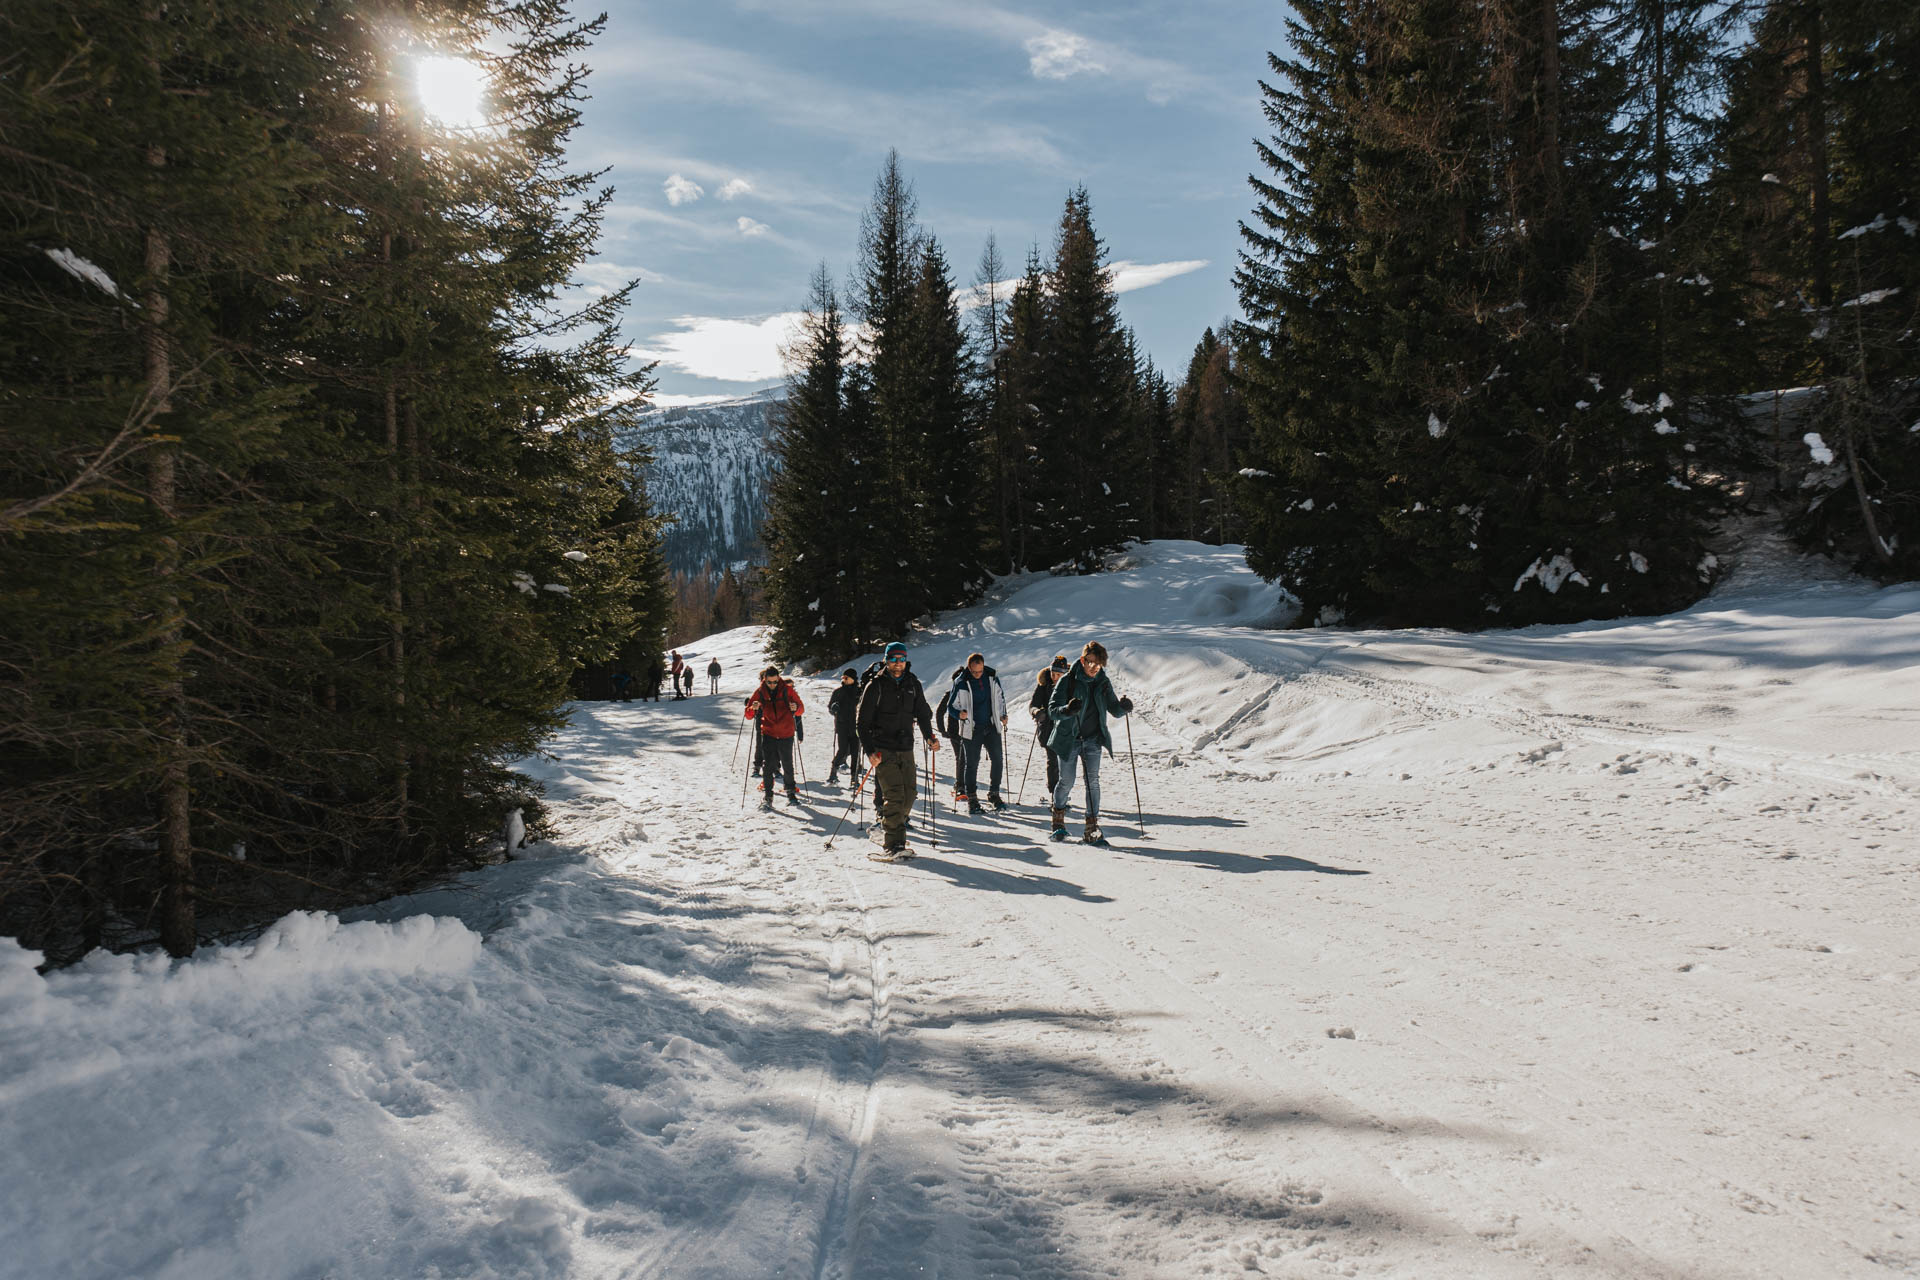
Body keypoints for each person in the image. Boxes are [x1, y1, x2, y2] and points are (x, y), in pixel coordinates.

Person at [856, 641, 938, 859]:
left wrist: (929, 736)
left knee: (910, 795)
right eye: (893, 659)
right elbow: (861, 723)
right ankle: (894, 844)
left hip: (906, 747)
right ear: (886, 659)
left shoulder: (912, 683)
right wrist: (870, 751)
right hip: (883, 748)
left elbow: (922, 713)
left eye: (901, 659)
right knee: (894, 796)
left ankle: (886, 828)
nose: (898, 663)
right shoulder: (876, 686)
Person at [1045, 640, 1133, 844]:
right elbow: (1052, 710)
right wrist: (1067, 710)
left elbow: (1114, 709)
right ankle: (1058, 823)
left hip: (1093, 739)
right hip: (1069, 740)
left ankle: (1091, 828)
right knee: (1066, 781)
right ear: (1083, 660)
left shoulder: (1103, 682)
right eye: (1091, 663)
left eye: (1099, 665)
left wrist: (1124, 707)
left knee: (1092, 781)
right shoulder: (1068, 681)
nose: (1095, 668)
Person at [946, 652, 1009, 814]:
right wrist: (958, 714)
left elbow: (1000, 698)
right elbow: (951, 706)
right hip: (972, 728)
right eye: (974, 672)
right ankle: (972, 798)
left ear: (983, 666)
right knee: (972, 763)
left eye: (980, 671)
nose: (977, 674)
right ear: (969, 667)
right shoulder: (961, 682)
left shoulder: (992, 677)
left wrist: (1003, 714)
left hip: (991, 725)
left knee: (998, 759)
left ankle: (994, 794)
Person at [745, 665, 805, 807]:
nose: (772, 685)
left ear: (779, 679)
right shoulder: (760, 692)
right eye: (769, 682)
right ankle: (768, 796)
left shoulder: (787, 690)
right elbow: (747, 714)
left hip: (786, 733)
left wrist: (795, 708)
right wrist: (752, 708)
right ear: (764, 680)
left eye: (775, 682)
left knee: (787, 764)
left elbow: (801, 708)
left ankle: (791, 794)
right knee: (768, 766)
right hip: (769, 732)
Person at [1028, 655, 1069, 799]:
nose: (1055, 677)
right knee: (1053, 761)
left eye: (1058, 674)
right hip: (1048, 728)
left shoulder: (1071, 685)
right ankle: (1055, 793)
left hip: (1066, 728)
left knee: (1065, 762)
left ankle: (1063, 792)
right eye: (1053, 673)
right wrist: (1037, 712)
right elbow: (1032, 705)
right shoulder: (1044, 684)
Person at [826, 669, 862, 785]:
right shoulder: (838, 692)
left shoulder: (860, 691)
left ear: (853, 678)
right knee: (842, 751)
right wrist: (833, 708)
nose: (844, 680)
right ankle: (833, 772)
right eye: (843, 678)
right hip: (842, 726)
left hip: (856, 726)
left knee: (855, 752)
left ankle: (854, 778)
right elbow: (830, 708)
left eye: (846, 678)